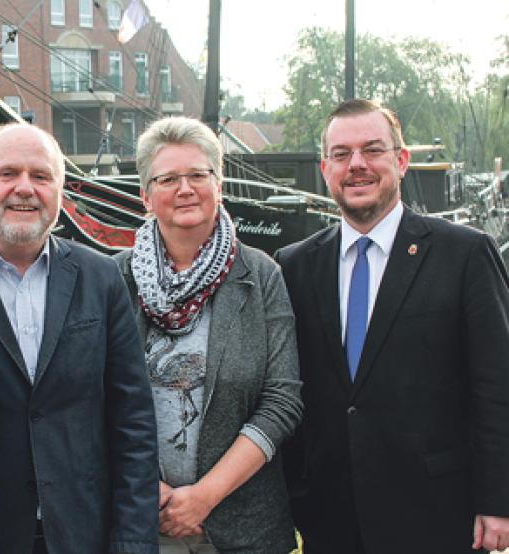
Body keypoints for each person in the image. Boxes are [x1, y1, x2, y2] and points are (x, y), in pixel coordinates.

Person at [274, 98, 509, 553]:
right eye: (341, 154)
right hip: (330, 518)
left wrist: (498, 499)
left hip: (437, 515)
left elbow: (498, 384)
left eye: (372, 149)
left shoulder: (465, 255)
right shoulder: (295, 265)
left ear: (401, 161)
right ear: (325, 169)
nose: (356, 165)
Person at [0, 122, 159, 554]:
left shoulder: (102, 278)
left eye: (41, 176)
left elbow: (133, 423)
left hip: (84, 535)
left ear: (60, 191)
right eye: (8, 174)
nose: (25, 188)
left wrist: (133, 542)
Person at [112, 116, 302, 553]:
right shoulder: (114, 280)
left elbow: (282, 399)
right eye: (168, 179)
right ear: (145, 195)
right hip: (142, 520)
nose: (185, 189)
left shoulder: (261, 276)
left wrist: (204, 497)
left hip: (244, 528)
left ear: (219, 185)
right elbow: (92, 398)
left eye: (198, 175)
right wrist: (147, 486)